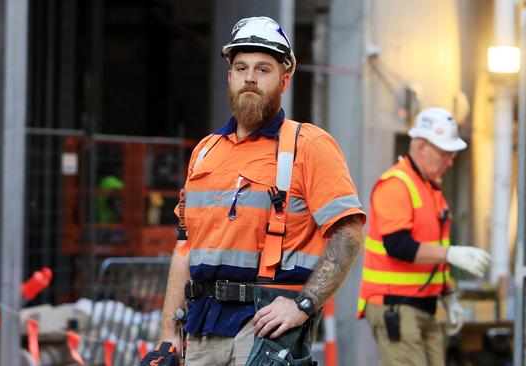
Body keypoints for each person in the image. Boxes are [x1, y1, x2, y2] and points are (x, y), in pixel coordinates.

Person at [150, 16, 366, 366]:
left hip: (264, 330)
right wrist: (168, 335)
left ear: (284, 79)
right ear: (229, 76)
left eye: (263, 69)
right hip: (201, 331)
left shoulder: (308, 145)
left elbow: (349, 233)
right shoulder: (205, 151)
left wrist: (303, 305)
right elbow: (184, 248)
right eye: (241, 67)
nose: (250, 78)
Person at [356, 107, 492, 366]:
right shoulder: (396, 185)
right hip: (396, 305)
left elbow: (432, 249)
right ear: (421, 147)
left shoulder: (430, 189)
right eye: (445, 153)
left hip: (422, 305)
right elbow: (399, 246)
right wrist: (452, 253)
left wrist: (448, 296)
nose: (450, 161)